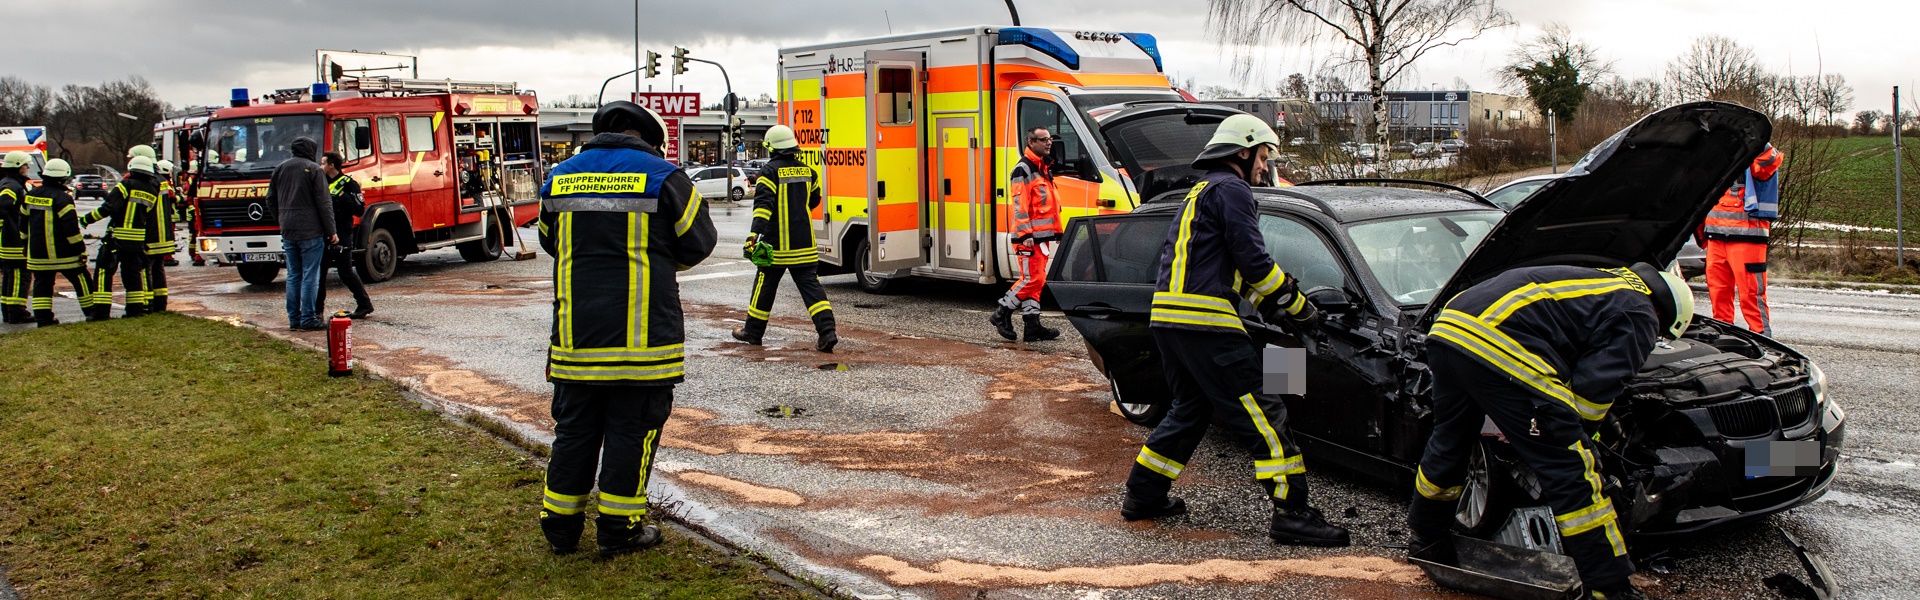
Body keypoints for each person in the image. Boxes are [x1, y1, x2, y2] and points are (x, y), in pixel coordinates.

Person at [1119, 114, 1348, 547]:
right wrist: (1302, 311)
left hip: (1171, 322)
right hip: (1206, 326)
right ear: (1243, 152)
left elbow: (1233, 272)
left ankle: (1143, 496)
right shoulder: (1233, 190)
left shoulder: (1201, 192)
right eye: (1263, 157)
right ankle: (1293, 514)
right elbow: (1255, 262)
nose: (1265, 167)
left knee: (1189, 410)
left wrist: (1273, 307)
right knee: (1265, 415)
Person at [1407, 264, 1693, 600]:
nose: (1655, 340)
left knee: (1451, 439)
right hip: (1500, 344)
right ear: (1666, 315)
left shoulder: (1601, 280)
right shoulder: (1640, 312)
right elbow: (1591, 393)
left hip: (1450, 331)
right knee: (1573, 473)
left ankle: (1427, 538)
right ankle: (1609, 589)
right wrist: (1581, 441)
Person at [535, 101, 716, 558]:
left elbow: (550, 241)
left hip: (576, 338)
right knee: (630, 431)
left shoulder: (559, 177)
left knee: (574, 430)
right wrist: (659, 261)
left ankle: (559, 527)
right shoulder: (665, 176)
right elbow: (701, 241)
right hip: (642, 343)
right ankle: (620, 529)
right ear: (648, 138)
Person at [730, 125, 837, 352]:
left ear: (771, 148)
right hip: (804, 245)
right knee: (812, 289)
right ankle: (827, 332)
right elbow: (814, 201)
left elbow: (763, 207)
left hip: (775, 246)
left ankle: (753, 332)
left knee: (764, 286)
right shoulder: (809, 171)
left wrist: (753, 236)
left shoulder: (769, 172)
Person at [988, 127, 1063, 342]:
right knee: (1033, 278)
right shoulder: (1023, 169)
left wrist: (1055, 232)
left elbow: (1048, 205)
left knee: (1036, 281)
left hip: (1041, 236)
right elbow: (1020, 206)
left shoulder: (1043, 168)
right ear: (1031, 142)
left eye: (1050, 139)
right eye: (1043, 140)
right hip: (1029, 237)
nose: (1049, 143)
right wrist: (1025, 233)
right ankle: (1001, 313)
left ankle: (1032, 326)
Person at [1701, 144, 1782, 336]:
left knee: (1751, 295)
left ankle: (1762, 338)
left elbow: (1769, 161)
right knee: (1718, 293)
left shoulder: (1756, 152)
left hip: (1747, 238)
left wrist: (1756, 142)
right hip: (1716, 237)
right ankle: (1721, 336)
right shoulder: (1714, 158)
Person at [264, 137, 336, 330]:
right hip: (311, 230)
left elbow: (270, 198)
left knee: (293, 275)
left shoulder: (280, 168)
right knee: (310, 275)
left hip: (288, 229)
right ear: (311, 150)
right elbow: (324, 202)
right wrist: (331, 231)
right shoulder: (313, 169)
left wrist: (281, 218)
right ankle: (308, 318)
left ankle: (294, 319)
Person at [20, 159, 101, 325]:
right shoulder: (63, 198)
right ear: (63, 178)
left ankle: (43, 319)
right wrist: (80, 249)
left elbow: (22, 224)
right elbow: (71, 229)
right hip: (64, 255)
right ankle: (92, 313)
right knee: (82, 280)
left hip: (38, 254)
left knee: (42, 285)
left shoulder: (30, 195)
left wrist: (25, 245)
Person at [81, 155, 162, 318]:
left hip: (117, 239)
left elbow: (109, 207)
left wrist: (87, 219)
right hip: (137, 241)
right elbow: (149, 217)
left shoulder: (126, 185)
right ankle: (135, 310)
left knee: (104, 272)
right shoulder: (152, 190)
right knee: (132, 275)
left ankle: (101, 313)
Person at [315, 152, 372, 319]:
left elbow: (359, 209)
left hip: (343, 233)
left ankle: (364, 304)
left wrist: (342, 197)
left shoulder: (348, 184)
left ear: (332, 165)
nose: (321, 167)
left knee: (345, 271)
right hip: (324, 232)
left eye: (323, 163)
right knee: (320, 272)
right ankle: (318, 311)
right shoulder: (321, 182)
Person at [141, 159, 180, 311]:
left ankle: (147, 304)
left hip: (151, 234)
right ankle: (160, 303)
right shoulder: (163, 182)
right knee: (158, 268)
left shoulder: (148, 183)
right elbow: (175, 198)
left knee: (146, 268)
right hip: (164, 233)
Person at [0, 151, 31, 324]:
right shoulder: (12, 187)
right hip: (14, 241)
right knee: (20, 275)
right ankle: (17, 312)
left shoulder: (7, 183)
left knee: (10, 276)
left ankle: (8, 310)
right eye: (26, 165)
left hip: (8, 240)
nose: (27, 168)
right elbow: (2, 207)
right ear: (19, 167)